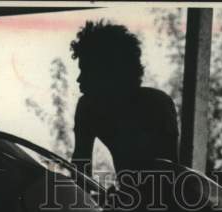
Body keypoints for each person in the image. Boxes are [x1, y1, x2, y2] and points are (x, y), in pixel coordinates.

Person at [70, 20, 178, 180]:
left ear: (108, 73)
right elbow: (80, 175)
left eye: (86, 71)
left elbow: (170, 174)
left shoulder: (157, 105)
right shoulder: (87, 108)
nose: (79, 79)